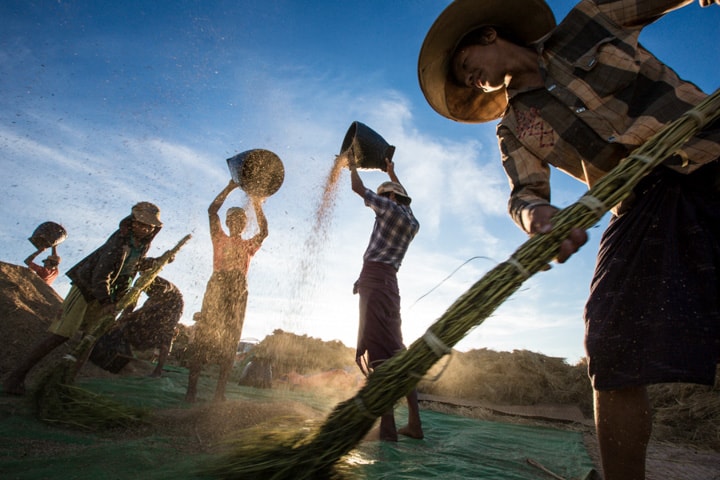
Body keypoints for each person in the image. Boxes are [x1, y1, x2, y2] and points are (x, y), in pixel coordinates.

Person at [418, 0, 720, 478]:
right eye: (463, 78)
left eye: (465, 63)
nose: (469, 77)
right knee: (608, 342)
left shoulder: (590, 21)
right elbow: (524, 192)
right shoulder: (516, 125)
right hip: (641, 199)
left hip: (709, 148)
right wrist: (539, 218)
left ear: (489, 35)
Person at [3, 202, 163, 395]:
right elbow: (100, 276)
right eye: (141, 224)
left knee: (90, 339)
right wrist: (106, 302)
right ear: (133, 222)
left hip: (108, 295)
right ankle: (15, 378)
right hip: (87, 288)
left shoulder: (143, 245)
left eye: (149, 226)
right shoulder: (118, 242)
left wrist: (156, 263)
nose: (145, 228)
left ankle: (66, 384)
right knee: (60, 336)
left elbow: (131, 269)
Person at [347, 152, 424, 442]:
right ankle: (415, 424)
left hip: (376, 283)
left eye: (386, 196)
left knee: (378, 354)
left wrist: (351, 164)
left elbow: (358, 189)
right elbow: (403, 201)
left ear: (390, 198)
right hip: (390, 285)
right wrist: (392, 173)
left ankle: (388, 428)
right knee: (397, 352)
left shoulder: (388, 209)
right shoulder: (412, 223)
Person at [184, 180, 268, 402]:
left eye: (240, 221)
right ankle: (191, 391)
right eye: (232, 220)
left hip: (239, 289)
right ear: (228, 222)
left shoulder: (248, 246)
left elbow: (265, 231)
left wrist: (257, 204)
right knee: (204, 334)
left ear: (243, 225)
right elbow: (212, 210)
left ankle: (219, 393)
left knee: (231, 338)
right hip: (218, 285)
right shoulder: (219, 238)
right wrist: (230, 187)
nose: (235, 223)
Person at [91, 276, 184, 377]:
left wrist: (125, 318)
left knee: (166, 334)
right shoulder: (141, 284)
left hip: (173, 307)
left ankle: (158, 370)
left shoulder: (162, 286)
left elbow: (144, 310)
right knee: (130, 324)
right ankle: (120, 351)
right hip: (155, 304)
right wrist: (121, 320)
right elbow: (131, 305)